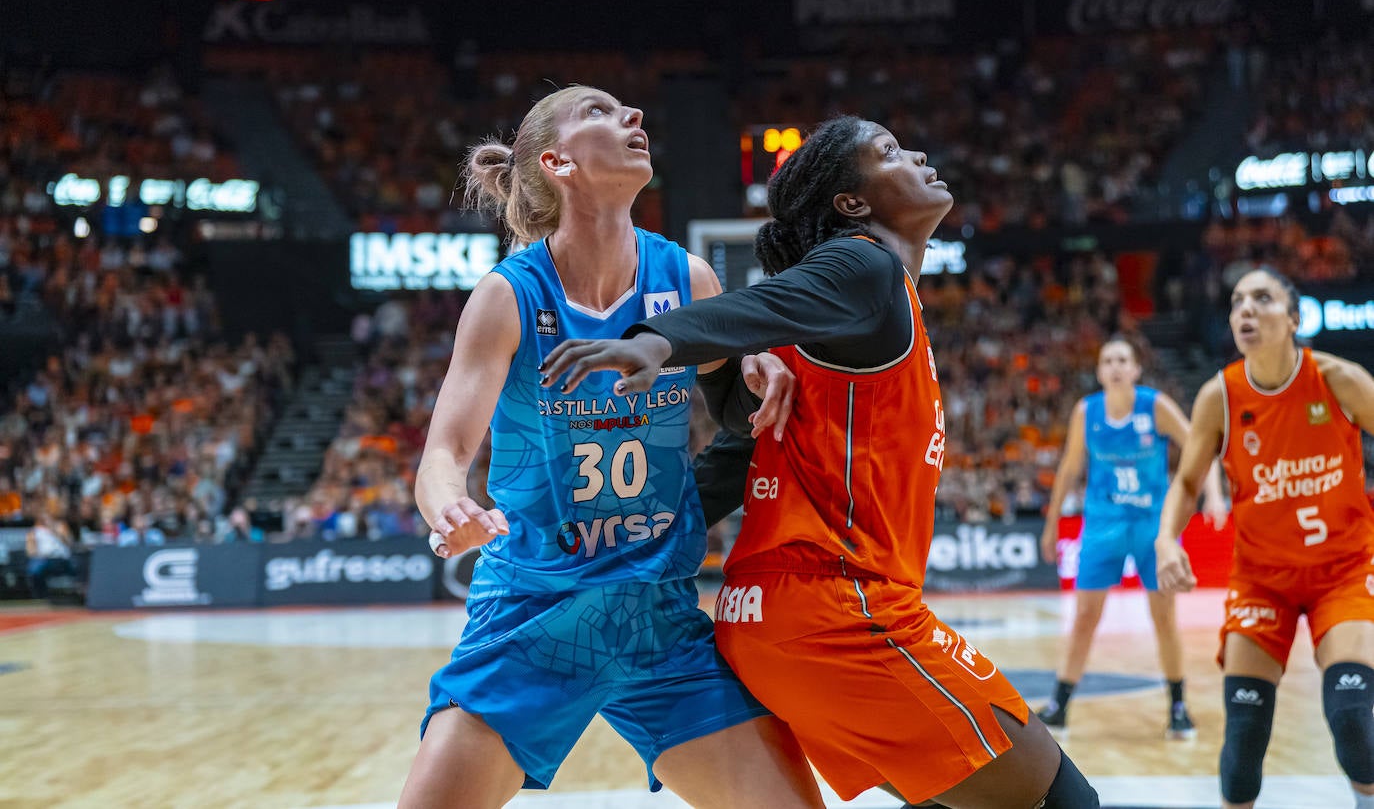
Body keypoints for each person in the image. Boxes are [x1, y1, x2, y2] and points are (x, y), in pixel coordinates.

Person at [540, 115, 1100, 808]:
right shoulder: (865, 264)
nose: (919, 153)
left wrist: (639, 532)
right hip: (842, 614)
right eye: (889, 151)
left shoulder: (833, 325)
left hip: (761, 621)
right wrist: (660, 339)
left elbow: (739, 455)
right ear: (852, 203)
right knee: (1063, 802)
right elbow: (768, 300)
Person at [400, 86, 823, 809]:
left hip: (659, 619)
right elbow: (445, 454)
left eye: (631, 109)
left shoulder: (684, 278)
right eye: (599, 110)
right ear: (556, 161)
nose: (632, 117)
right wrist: (449, 509)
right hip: (534, 615)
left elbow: (738, 392)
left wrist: (760, 364)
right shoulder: (508, 296)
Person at [1156, 265, 1374, 809]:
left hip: (1344, 573)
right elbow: (1187, 481)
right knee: (1246, 734)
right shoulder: (1219, 396)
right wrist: (1166, 539)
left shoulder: (1338, 379)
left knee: (1352, 721)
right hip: (1262, 581)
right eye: (1236, 302)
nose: (1245, 310)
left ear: (1294, 317)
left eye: (1262, 298)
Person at [1036, 337, 1227, 738]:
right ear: (1100, 371)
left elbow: (1199, 445)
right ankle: (1060, 704)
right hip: (1102, 524)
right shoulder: (1086, 411)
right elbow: (1069, 468)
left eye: (1123, 359)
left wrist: (1214, 494)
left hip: (1153, 527)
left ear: (1136, 369)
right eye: (1108, 360)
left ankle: (1178, 704)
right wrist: (1052, 522)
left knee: (1163, 617)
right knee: (1086, 616)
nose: (1116, 366)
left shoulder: (1153, 406)